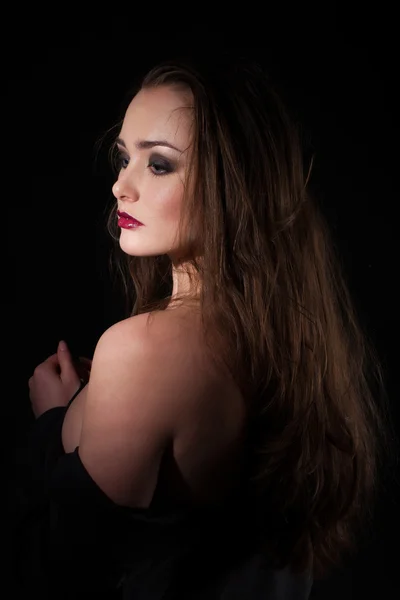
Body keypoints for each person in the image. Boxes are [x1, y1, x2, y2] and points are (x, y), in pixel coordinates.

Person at [14, 54, 396, 599]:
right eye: (123, 158)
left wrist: (53, 423)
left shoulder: (144, 349)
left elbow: (56, 577)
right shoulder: (291, 341)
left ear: (232, 183)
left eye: (160, 164)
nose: (122, 186)